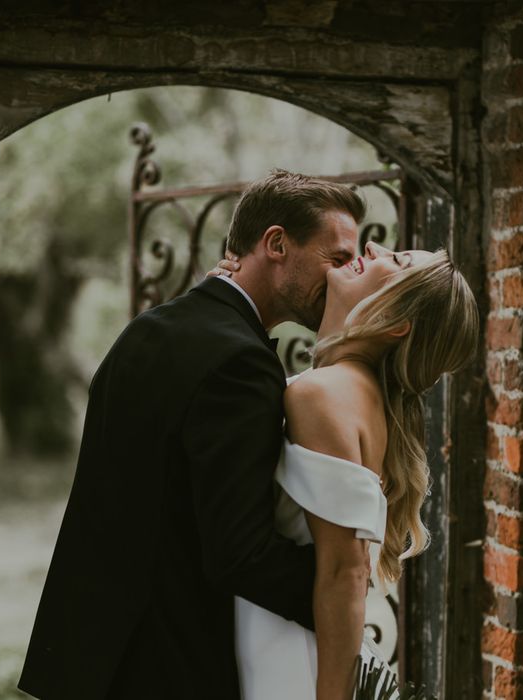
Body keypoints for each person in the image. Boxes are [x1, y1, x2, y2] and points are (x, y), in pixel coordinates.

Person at [18, 170, 366, 699]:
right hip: (166, 668)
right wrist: (345, 584)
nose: (345, 276)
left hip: (88, 658)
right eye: (336, 258)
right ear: (276, 243)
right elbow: (238, 554)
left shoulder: (150, 328)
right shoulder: (242, 364)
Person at [213, 240, 478, 699]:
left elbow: (344, 572)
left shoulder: (325, 394)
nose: (373, 246)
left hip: (292, 664)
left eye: (395, 261)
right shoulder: (358, 394)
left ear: (397, 323)